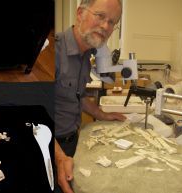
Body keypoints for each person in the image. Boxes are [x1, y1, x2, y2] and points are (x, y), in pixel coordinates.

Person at [54, 0, 126, 192]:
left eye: (112, 22)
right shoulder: (55, 51)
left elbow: (78, 96)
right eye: (100, 16)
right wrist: (59, 157)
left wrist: (101, 114)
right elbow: (33, 112)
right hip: (50, 146)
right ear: (80, 14)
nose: (105, 26)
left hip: (71, 143)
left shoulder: (86, 54)